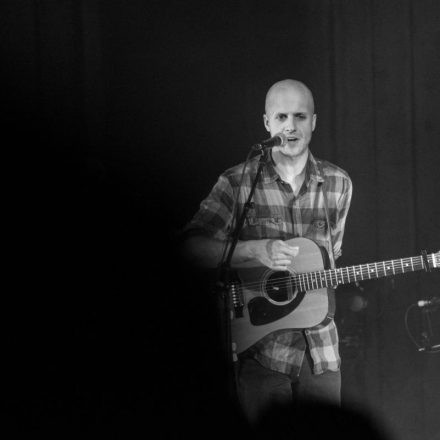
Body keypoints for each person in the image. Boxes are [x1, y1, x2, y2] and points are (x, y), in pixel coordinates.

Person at [181, 79, 353, 426]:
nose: (291, 126)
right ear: (267, 124)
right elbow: (190, 249)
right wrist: (254, 250)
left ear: (314, 122)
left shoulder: (338, 184)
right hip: (261, 353)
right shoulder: (237, 182)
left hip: (321, 354)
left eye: (300, 116)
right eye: (282, 117)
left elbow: (330, 258)